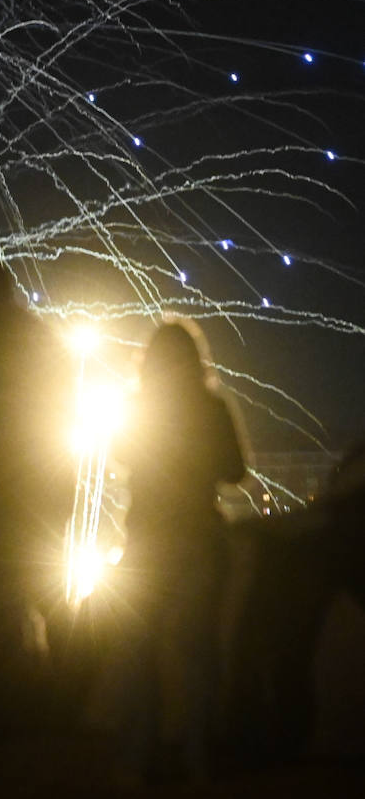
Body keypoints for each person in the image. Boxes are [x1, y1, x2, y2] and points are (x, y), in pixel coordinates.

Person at [115, 318, 246, 782]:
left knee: (136, 651)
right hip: (198, 537)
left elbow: (117, 453)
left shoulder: (138, 408)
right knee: (197, 651)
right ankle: (197, 752)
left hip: (146, 541)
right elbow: (236, 471)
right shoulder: (213, 408)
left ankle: (139, 751)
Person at [0, 262, 71, 660]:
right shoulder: (43, 342)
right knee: (48, 593)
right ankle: (64, 684)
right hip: (47, 489)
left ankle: (17, 692)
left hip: (1, 497)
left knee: (7, 597)